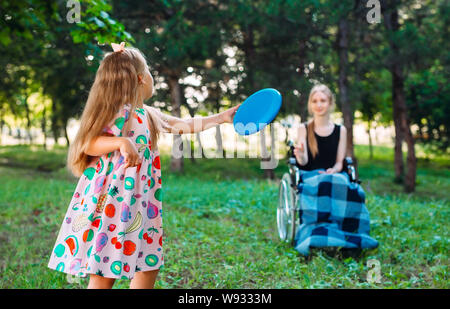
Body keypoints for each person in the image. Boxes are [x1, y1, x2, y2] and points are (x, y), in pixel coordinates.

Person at [47, 42, 240, 289]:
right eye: (149, 72)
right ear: (140, 78)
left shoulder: (147, 113)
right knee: (105, 267)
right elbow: (87, 143)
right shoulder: (113, 111)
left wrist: (221, 118)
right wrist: (120, 142)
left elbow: (183, 124)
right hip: (112, 204)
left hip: (141, 202)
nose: (152, 77)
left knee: (149, 262)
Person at [293, 84, 347, 174]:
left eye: (323, 101)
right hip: (310, 178)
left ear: (330, 103)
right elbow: (303, 162)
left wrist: (334, 170)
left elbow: (339, 163)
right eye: (314, 101)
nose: (318, 105)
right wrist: (301, 155)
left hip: (333, 176)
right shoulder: (303, 128)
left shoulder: (341, 130)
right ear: (310, 104)